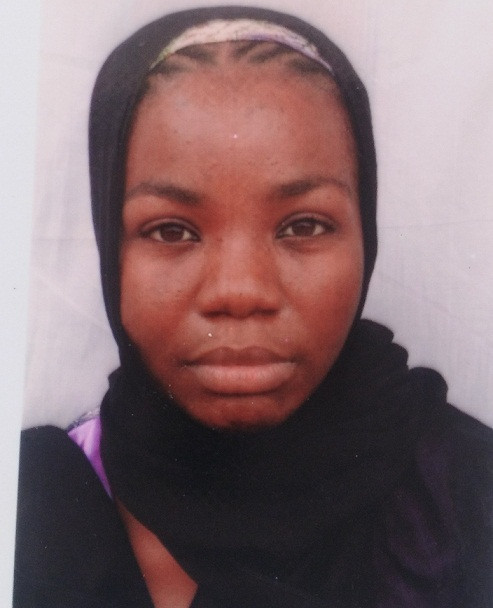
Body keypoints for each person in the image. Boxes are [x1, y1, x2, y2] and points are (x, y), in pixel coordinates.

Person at [13, 6, 493, 608]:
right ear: (112, 248)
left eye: (304, 225)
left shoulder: (467, 497)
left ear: (364, 237)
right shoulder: (30, 509)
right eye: (171, 231)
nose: (239, 292)